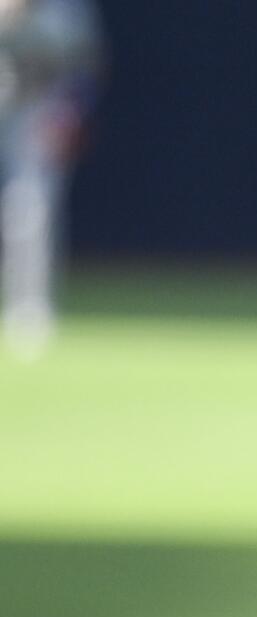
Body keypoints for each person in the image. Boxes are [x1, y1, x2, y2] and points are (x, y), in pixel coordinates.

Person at [0, 0, 102, 358]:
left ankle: (29, 311)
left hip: (38, 109)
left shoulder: (66, 8)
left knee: (30, 209)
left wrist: (70, 112)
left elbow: (83, 64)